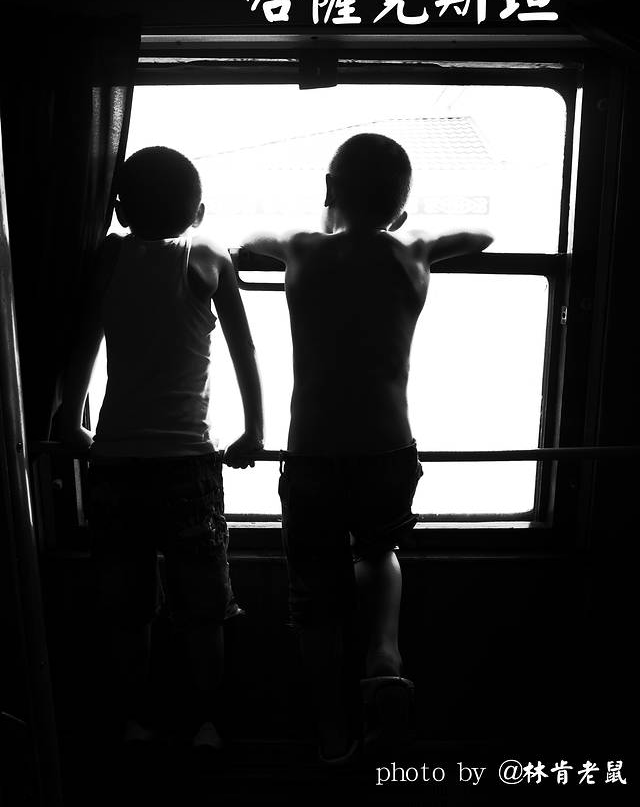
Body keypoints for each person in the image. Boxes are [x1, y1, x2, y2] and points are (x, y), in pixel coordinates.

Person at [241, 133, 492, 762]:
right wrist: (411, 231)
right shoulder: (414, 250)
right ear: (400, 206)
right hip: (387, 447)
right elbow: (482, 236)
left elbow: (252, 239)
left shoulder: (303, 247)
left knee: (314, 597)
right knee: (379, 552)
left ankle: (332, 734)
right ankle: (384, 659)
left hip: (313, 452)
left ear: (330, 189)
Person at [58, 146, 263, 754]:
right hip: (187, 464)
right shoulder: (209, 255)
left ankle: (134, 721)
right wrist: (254, 429)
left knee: (128, 610)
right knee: (203, 609)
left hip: (117, 460)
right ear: (198, 211)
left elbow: (85, 342)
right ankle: (207, 724)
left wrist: (69, 419)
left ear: (120, 211)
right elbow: (244, 349)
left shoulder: (110, 256)